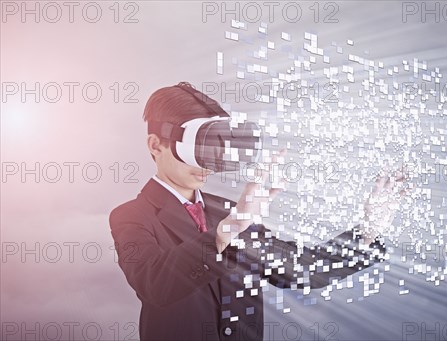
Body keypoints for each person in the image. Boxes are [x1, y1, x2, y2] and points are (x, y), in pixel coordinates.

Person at [109, 82, 407, 341]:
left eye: (213, 148)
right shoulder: (132, 216)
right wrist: (228, 230)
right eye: (196, 149)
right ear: (155, 145)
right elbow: (156, 285)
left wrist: (366, 232)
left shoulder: (229, 212)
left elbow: (301, 271)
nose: (207, 164)